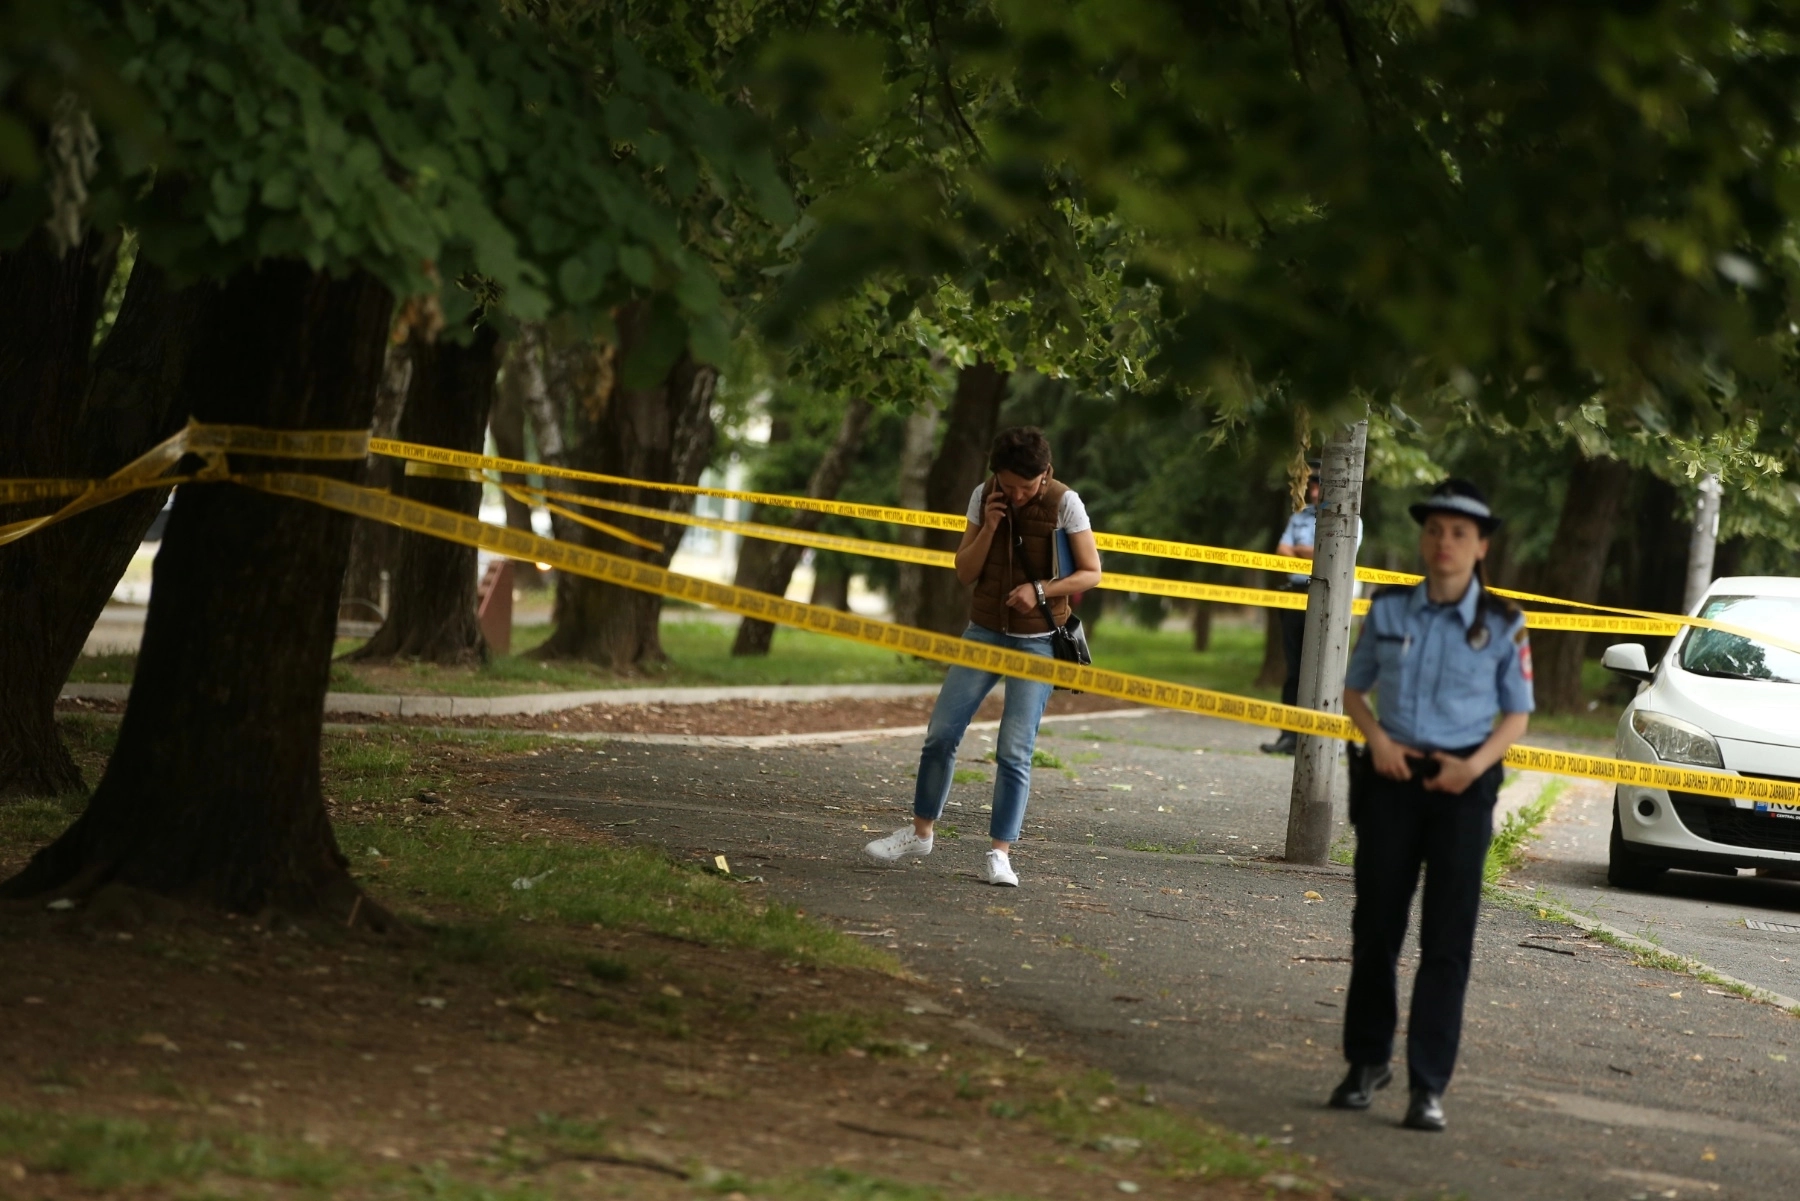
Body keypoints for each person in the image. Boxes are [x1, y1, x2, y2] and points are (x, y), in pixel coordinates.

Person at [1328, 478, 1533, 1132]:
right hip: (1392, 778)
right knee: (1376, 927)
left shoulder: (1504, 623)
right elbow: (1355, 689)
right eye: (1435, 530)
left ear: (1480, 548)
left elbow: (1518, 714)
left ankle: (1429, 1084)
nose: (1444, 543)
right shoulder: (1389, 609)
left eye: (1459, 533)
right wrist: (1379, 741)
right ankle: (1366, 1062)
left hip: (1462, 787)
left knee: (1448, 939)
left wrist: (1474, 766)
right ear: (1424, 539)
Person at [864, 427, 1102, 886]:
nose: (1015, 494)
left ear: (1045, 475)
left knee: (1014, 750)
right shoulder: (984, 495)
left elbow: (1091, 573)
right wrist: (991, 525)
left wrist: (1040, 591)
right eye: (1008, 485)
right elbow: (963, 570)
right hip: (983, 631)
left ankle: (1000, 854)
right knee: (940, 735)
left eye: (1026, 488)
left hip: (1036, 640)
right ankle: (920, 832)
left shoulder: (1065, 502)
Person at [1262, 464, 1321, 755]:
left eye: (1318, 485)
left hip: (1323, 600)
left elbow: (1331, 554)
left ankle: (1317, 739)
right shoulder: (1299, 517)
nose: (1312, 490)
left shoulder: (1349, 521)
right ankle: (1288, 736)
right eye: (1310, 484)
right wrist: (1307, 552)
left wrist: (1303, 551)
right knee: (1294, 669)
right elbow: (1282, 552)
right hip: (1294, 595)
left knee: (1321, 671)